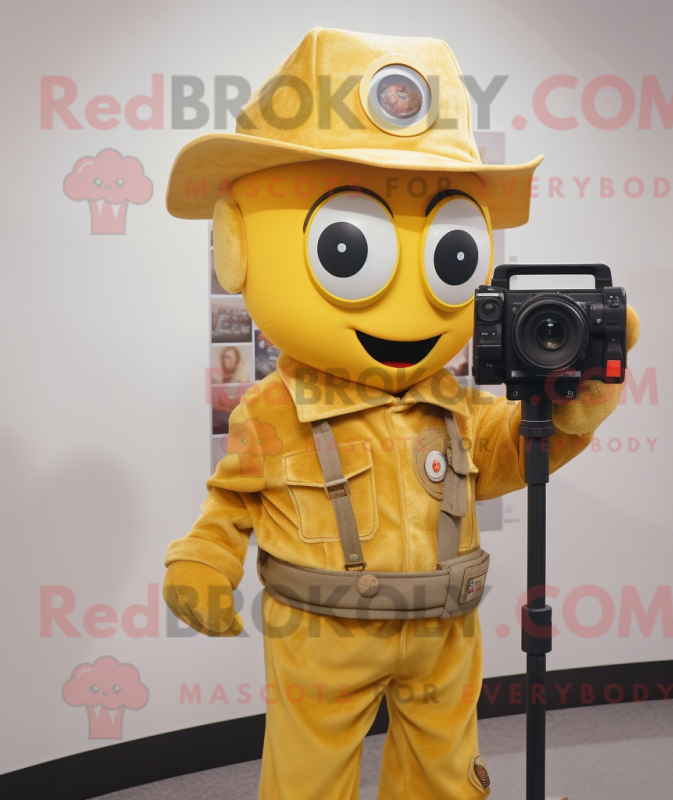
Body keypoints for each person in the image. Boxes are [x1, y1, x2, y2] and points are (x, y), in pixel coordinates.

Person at [162, 28, 639, 799]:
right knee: (309, 781)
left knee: (446, 780)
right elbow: (233, 501)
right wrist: (205, 560)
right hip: (320, 636)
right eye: (347, 250)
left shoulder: (453, 400)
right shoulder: (273, 408)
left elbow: (509, 451)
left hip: (445, 634)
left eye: (452, 253)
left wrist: (571, 404)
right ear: (237, 242)